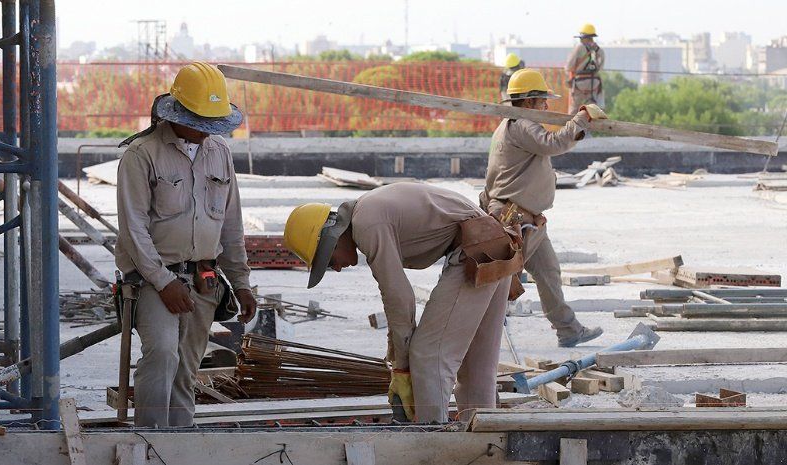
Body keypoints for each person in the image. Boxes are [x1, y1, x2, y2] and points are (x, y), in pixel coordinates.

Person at [284, 182, 522, 423]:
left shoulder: (367, 225)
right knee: (476, 365)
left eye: (328, 261)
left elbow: (398, 297)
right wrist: (397, 354)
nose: (335, 268)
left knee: (429, 355)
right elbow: (396, 303)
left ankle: (432, 437)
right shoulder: (368, 211)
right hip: (495, 245)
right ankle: (485, 437)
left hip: (477, 250)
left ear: (332, 240)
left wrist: (402, 367)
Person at [115, 62, 257, 427]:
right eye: (201, 122)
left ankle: (179, 440)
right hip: (152, 279)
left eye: (213, 123)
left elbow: (230, 225)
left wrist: (241, 283)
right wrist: (164, 282)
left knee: (186, 369)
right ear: (178, 112)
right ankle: (149, 439)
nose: (207, 131)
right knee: (162, 355)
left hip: (203, 280)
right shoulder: (141, 154)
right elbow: (133, 229)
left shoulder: (219, 152)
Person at [481, 68, 606, 348]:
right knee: (500, 281)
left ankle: (569, 330)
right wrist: (581, 119)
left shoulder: (507, 126)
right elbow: (554, 143)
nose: (546, 107)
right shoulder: (522, 124)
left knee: (549, 273)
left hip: (526, 219)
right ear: (528, 102)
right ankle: (477, 334)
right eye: (542, 101)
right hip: (516, 219)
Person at [565, 23, 605, 114]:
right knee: (591, 111)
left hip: (580, 83)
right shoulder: (597, 49)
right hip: (594, 83)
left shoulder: (579, 47)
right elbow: (601, 65)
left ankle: (572, 123)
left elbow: (569, 66)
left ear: (583, 37)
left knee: (574, 109)